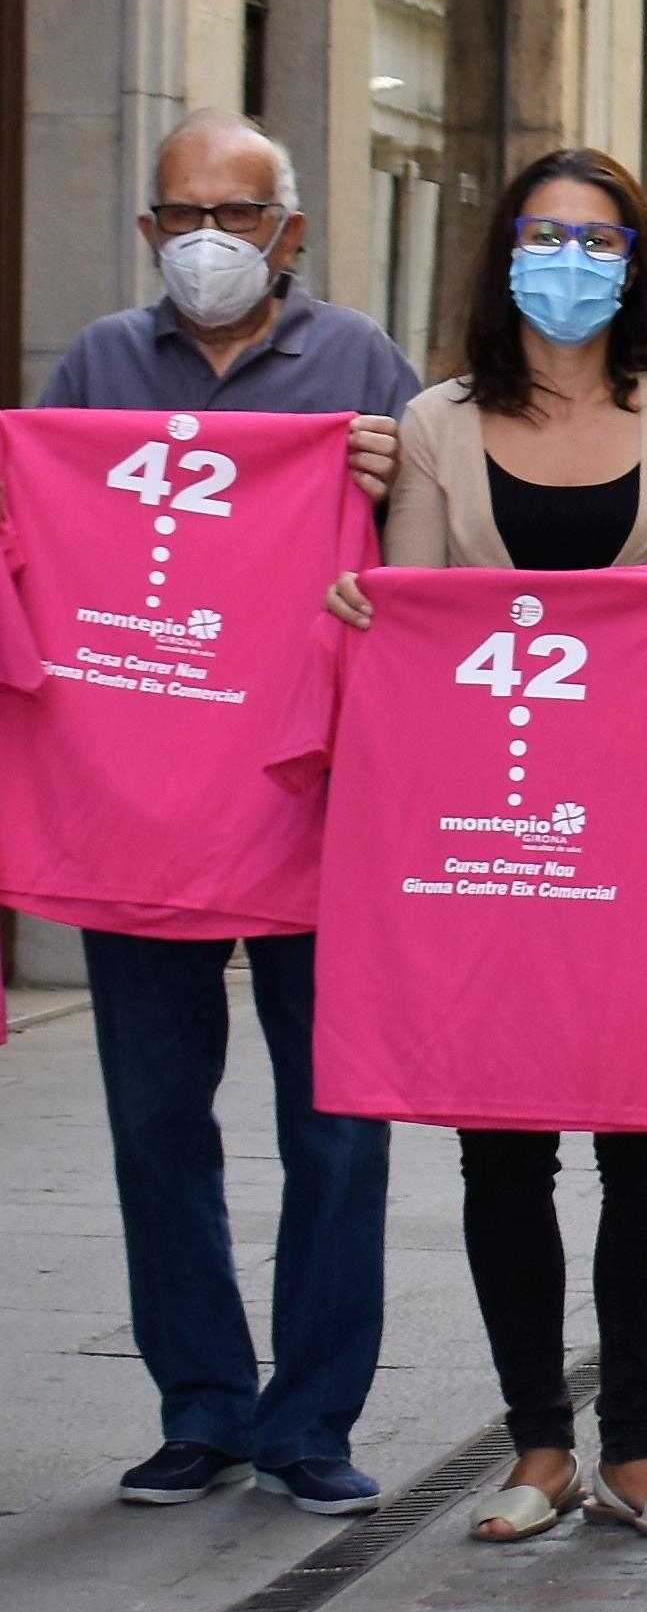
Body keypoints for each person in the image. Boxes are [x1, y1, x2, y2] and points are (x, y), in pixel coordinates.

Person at [329, 149, 647, 1542]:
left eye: (599, 239)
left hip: (632, 833)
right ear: (502, 253)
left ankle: (635, 1447)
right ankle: (537, 1447)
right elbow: (406, 617)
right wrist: (357, 606)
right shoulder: (437, 424)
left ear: (637, 264)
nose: (569, 261)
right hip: (481, 831)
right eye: (544, 234)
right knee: (499, 1140)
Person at [41, 114, 413, 1517]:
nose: (210, 238)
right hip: (137, 813)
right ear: (148, 232)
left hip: (318, 803)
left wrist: (387, 497)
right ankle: (199, 1404)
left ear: (292, 233)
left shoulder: (366, 366)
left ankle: (311, 1418)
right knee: (154, 1119)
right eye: (183, 212)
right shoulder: (97, 366)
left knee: (335, 1122)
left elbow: (426, 567)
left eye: (239, 214)